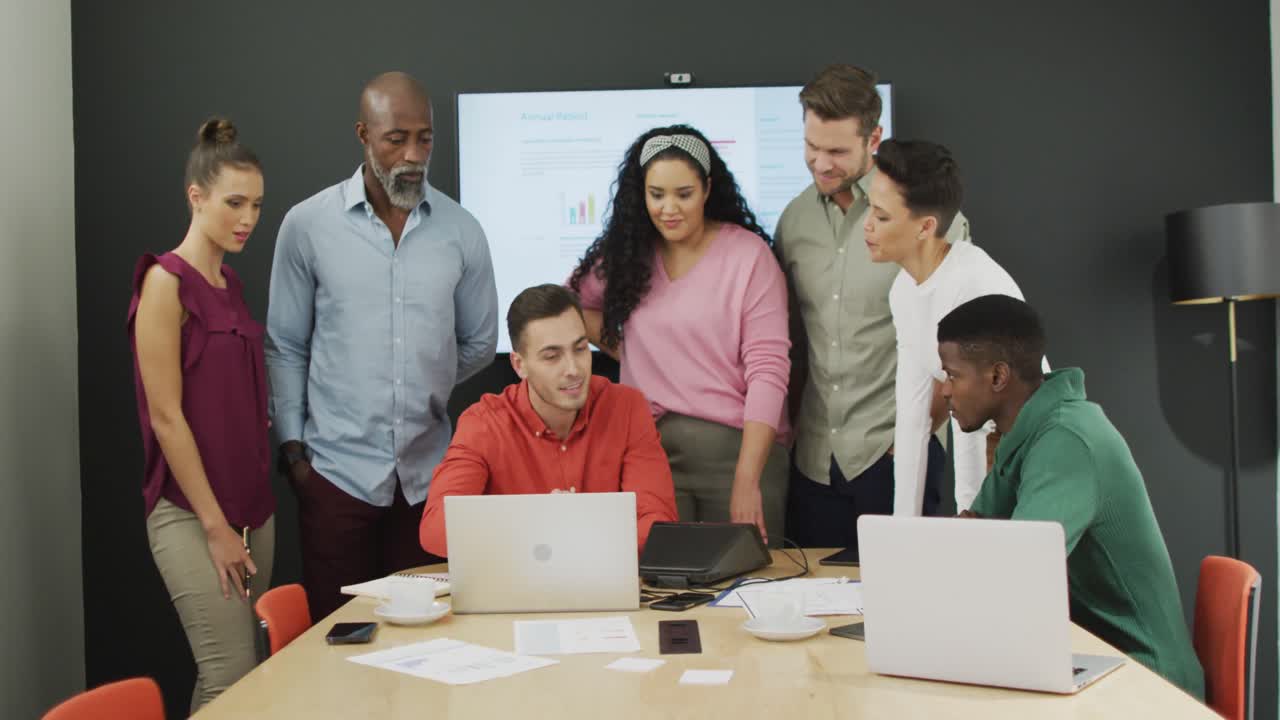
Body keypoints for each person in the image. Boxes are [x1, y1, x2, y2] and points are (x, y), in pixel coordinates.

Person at [266, 71, 498, 621]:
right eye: (396, 139)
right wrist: (295, 453)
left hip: (426, 482)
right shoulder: (307, 225)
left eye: (425, 138)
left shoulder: (462, 230)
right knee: (337, 639)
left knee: (428, 640)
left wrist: (422, 377)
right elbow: (285, 345)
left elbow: (481, 341)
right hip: (334, 477)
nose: (413, 155)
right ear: (363, 135)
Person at [941, 295, 1205, 698]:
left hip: (1148, 679)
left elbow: (1017, 574)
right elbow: (975, 537)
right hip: (1091, 658)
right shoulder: (1024, 433)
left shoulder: (1066, 440)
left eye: (952, 375)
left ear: (997, 376)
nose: (944, 390)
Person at [775, 64, 969, 551]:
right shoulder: (793, 222)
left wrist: (910, 438)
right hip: (814, 463)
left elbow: (959, 344)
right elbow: (793, 344)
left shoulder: (926, 219)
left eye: (837, 152)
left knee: (905, 593)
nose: (821, 163)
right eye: (811, 147)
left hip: (895, 453)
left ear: (874, 139)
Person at [567, 125, 790, 546]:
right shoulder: (629, 255)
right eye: (656, 195)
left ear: (707, 189)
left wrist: (747, 479)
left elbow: (768, 370)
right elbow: (567, 304)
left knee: (744, 581)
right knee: (656, 579)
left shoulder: (749, 257)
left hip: (736, 454)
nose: (669, 209)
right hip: (650, 455)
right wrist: (628, 347)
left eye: (683, 194)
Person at [128, 117, 273, 712]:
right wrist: (215, 526)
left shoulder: (229, 281)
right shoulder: (165, 282)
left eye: (257, 205)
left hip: (252, 510)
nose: (248, 218)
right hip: (192, 513)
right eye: (234, 203)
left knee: (249, 675)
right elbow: (166, 417)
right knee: (228, 674)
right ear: (196, 197)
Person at [419, 284, 678, 555]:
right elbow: (436, 529)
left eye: (580, 349)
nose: (573, 369)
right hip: (519, 580)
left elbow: (658, 523)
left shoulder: (626, 408)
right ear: (519, 365)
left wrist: (572, 530)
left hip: (605, 579)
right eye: (552, 357)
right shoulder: (483, 423)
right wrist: (542, 521)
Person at [865, 139, 1033, 516]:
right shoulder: (903, 291)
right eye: (869, 209)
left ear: (925, 227)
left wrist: (969, 522)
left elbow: (976, 425)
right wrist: (902, 530)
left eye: (882, 216)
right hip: (994, 456)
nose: (868, 225)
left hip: (1028, 460)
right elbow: (913, 416)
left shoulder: (971, 283)